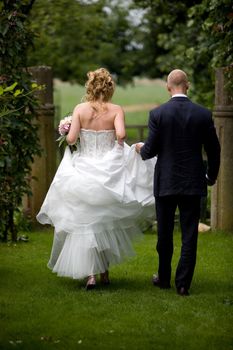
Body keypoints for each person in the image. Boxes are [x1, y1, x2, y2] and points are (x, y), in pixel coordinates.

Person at [37, 68, 156, 290]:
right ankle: (104, 273)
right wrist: (115, 143)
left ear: (90, 87)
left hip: (84, 168)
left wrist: (68, 129)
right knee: (105, 223)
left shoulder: (80, 109)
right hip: (109, 169)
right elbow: (120, 135)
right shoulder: (116, 109)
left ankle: (90, 275)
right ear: (109, 87)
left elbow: (71, 139)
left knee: (86, 223)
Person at [136, 69, 220, 296]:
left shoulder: (158, 114)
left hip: (166, 182)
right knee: (189, 234)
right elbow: (214, 150)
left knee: (164, 234)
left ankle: (163, 279)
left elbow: (149, 151)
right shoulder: (203, 114)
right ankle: (183, 284)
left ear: (168, 87)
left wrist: (141, 148)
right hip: (193, 182)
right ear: (188, 85)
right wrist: (211, 176)